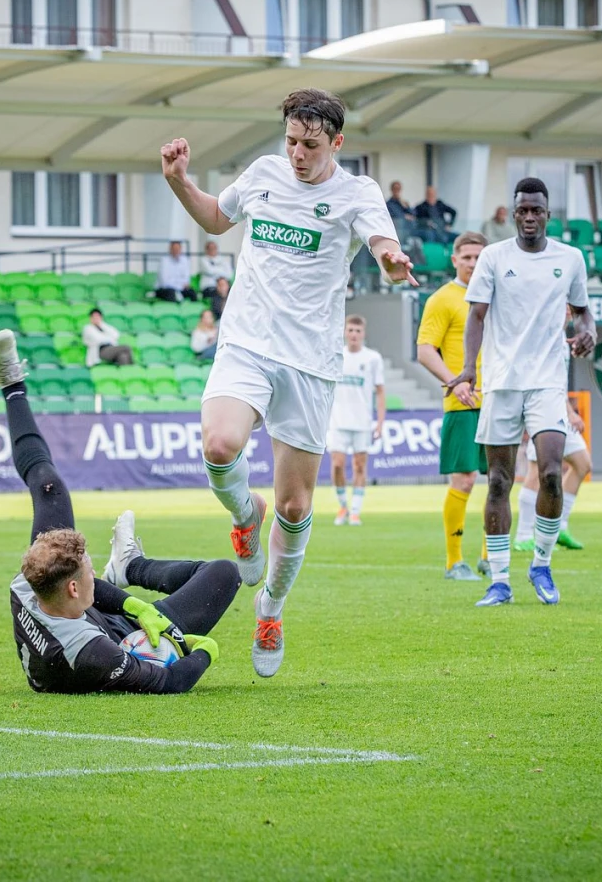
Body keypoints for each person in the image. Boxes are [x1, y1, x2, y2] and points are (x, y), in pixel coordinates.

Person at [160, 87, 414, 677]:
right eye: (292, 142)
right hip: (246, 343)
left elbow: (382, 241)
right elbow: (217, 218)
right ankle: (244, 516)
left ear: (337, 143)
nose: (298, 154)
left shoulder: (358, 193)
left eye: (311, 145)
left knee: (295, 505)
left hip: (310, 363)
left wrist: (391, 259)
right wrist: (179, 181)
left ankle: (270, 606)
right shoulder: (263, 173)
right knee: (219, 445)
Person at [0, 329, 231, 694]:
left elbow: (87, 590)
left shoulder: (30, 583)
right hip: (112, 640)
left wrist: (136, 606)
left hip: (93, 618)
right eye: (88, 569)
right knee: (224, 575)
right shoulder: (91, 653)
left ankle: (12, 386)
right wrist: (203, 651)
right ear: (72, 587)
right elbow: (169, 681)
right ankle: (132, 567)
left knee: (49, 486)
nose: (93, 571)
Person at [446, 177, 596, 607]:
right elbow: (477, 316)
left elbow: (584, 312)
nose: (529, 217)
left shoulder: (570, 258)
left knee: (550, 471)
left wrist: (589, 333)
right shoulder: (494, 257)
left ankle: (542, 565)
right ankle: (499, 581)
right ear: (514, 214)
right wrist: (468, 369)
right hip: (501, 382)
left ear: (548, 214)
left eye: (537, 210)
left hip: (548, 381)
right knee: (498, 480)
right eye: (523, 211)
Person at [416, 231, 490, 581]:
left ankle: (492, 557)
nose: (473, 263)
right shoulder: (442, 299)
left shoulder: (496, 296)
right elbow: (425, 350)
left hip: (499, 400)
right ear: (455, 259)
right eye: (467, 257)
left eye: (479, 257)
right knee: (464, 479)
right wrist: (455, 381)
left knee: (501, 480)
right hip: (463, 403)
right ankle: (454, 561)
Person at [327, 315, 385, 526]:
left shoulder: (372, 358)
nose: (353, 334)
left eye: (357, 331)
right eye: (350, 330)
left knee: (360, 466)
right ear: (345, 332)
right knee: (337, 465)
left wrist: (380, 422)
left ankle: (355, 511)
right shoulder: (336, 356)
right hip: (337, 420)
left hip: (362, 421)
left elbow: (380, 391)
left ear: (363, 334)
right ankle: (343, 505)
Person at [515, 393, 590, 552]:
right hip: (541, 411)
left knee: (582, 464)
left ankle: (559, 527)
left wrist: (568, 412)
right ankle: (523, 536)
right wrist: (571, 413)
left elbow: (559, 385)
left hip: (560, 412)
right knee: (536, 471)